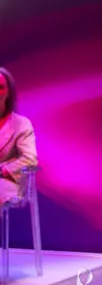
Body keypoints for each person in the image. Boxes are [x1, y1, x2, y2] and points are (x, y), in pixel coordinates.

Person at [0, 67, 38, 205]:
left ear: (8, 93)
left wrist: (2, 170)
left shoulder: (21, 124)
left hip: (8, 182)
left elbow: (29, 159)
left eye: (1, 88)